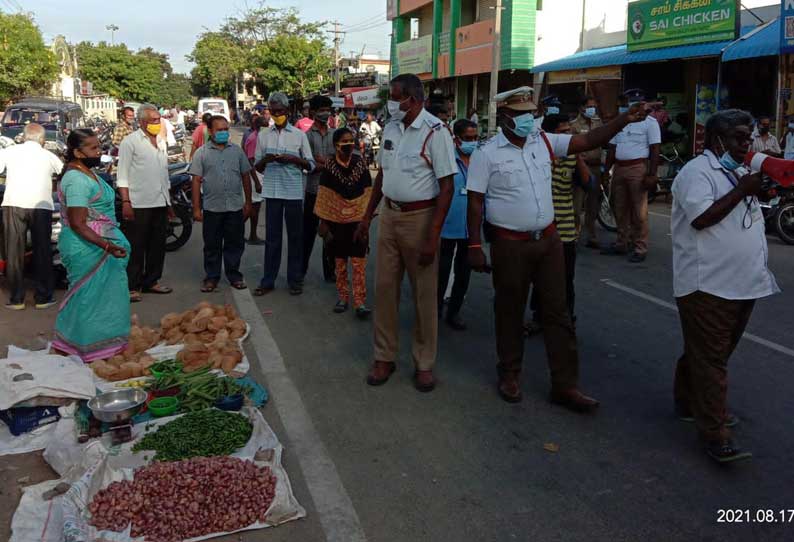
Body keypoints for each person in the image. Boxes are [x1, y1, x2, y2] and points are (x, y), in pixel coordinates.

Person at [466, 86, 650, 409]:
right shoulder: (486, 153)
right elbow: (476, 202)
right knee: (509, 312)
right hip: (510, 245)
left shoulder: (545, 142)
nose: (529, 120)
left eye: (531, 114)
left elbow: (588, 141)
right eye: (522, 115)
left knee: (558, 313)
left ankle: (565, 385)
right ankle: (509, 374)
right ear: (506, 117)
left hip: (549, 241)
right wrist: (474, 245)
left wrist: (623, 120)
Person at [671, 109, 779, 463]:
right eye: (738, 138)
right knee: (712, 359)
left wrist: (758, 185)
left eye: (748, 138)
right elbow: (702, 218)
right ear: (716, 140)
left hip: (744, 282)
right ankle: (715, 432)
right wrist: (743, 189)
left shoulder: (740, 171)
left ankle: (688, 400)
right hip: (709, 285)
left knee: (709, 353)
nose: (746, 144)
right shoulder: (696, 173)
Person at [357, 73, 458, 393]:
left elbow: (447, 187)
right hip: (390, 214)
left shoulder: (435, 132)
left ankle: (424, 362)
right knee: (385, 288)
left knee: (423, 295)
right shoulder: (391, 128)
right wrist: (366, 216)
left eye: (396, 96)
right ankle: (384, 357)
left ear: (412, 99)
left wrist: (433, 236)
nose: (391, 102)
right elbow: (383, 174)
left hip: (421, 218)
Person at [51, 129, 130, 361]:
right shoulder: (76, 179)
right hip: (87, 248)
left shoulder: (85, 172)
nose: (99, 152)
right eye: (93, 149)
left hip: (97, 246)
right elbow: (77, 223)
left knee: (104, 298)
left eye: (99, 147)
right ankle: (88, 348)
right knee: (88, 299)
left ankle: (102, 345)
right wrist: (107, 246)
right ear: (77, 152)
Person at [526, 115, 592, 333]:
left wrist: (578, 157)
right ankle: (538, 316)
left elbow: (589, 184)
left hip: (565, 229)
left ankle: (566, 317)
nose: (568, 136)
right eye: (563, 132)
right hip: (540, 227)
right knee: (539, 276)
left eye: (569, 131)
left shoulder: (572, 158)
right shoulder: (536, 155)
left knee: (566, 277)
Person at [253, 92, 315, 296]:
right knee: (273, 239)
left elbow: (311, 164)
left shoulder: (299, 136)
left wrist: (292, 159)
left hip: (294, 193)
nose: (277, 114)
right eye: (273, 111)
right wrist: (267, 160)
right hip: (272, 192)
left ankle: (295, 279)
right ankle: (268, 280)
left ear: (287, 111)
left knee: (296, 238)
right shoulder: (263, 135)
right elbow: (258, 167)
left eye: (280, 111)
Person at [0, 123, 63, 310]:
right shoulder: (49, 155)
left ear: (23, 136)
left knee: (14, 251)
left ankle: (16, 299)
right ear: (42, 140)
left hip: (13, 204)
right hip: (41, 207)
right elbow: (63, 173)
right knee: (42, 251)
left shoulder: (10, 152)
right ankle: (43, 297)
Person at [189, 115, 253, 292]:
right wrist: (196, 208)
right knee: (212, 245)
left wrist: (248, 203)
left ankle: (234, 275)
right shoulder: (202, 153)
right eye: (220, 130)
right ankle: (212, 277)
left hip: (234, 207)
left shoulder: (237, 152)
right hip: (212, 208)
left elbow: (245, 176)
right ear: (210, 131)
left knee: (235, 243)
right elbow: (195, 181)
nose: (224, 133)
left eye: (226, 129)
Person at [117, 104, 173, 302]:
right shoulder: (130, 142)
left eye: (159, 120)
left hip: (159, 201)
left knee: (157, 245)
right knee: (136, 246)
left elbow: (163, 175)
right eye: (154, 120)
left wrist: (169, 204)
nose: (158, 123)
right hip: (138, 203)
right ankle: (132, 285)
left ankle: (152, 281)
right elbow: (122, 175)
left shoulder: (160, 141)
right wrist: (126, 201)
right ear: (142, 122)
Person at [315, 128, 373, 317]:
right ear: (335, 145)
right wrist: (324, 221)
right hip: (336, 221)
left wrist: (366, 220)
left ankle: (359, 302)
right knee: (339, 262)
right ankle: (343, 297)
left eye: (351, 140)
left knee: (358, 263)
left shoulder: (360, 163)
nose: (348, 144)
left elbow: (367, 192)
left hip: (357, 221)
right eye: (344, 141)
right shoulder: (330, 166)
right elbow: (324, 194)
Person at [602, 89, 661, 263]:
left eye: (638, 102)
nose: (634, 105)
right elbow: (612, 148)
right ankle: (622, 242)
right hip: (619, 167)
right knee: (618, 207)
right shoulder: (621, 122)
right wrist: (606, 171)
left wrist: (652, 174)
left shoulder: (650, 123)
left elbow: (655, 149)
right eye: (631, 102)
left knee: (639, 211)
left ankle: (640, 247)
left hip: (637, 167)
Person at [437, 119, 477, 331]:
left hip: (470, 226)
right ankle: (434, 312)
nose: (472, 142)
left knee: (464, 271)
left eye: (475, 138)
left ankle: (454, 312)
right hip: (446, 225)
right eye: (468, 138)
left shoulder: (479, 159)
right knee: (442, 271)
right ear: (456, 138)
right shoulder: (447, 160)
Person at [303, 95, 337, 282]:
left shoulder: (335, 134)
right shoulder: (306, 136)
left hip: (332, 192)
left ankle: (330, 272)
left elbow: (342, 160)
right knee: (307, 234)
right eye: (322, 110)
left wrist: (320, 160)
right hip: (313, 191)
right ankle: (300, 273)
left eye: (328, 110)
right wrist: (330, 163)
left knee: (330, 235)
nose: (326, 113)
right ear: (313, 112)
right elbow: (309, 163)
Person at [570, 95, 604, 249]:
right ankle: (574, 234)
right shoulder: (574, 125)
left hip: (596, 167)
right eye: (589, 106)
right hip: (580, 167)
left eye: (593, 107)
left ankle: (592, 235)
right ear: (581, 108)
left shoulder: (598, 123)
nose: (592, 109)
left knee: (593, 204)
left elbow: (604, 144)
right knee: (577, 205)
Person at [243, 115, 265, 245]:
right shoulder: (254, 139)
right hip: (254, 175)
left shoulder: (260, 138)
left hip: (259, 175)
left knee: (255, 208)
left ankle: (252, 235)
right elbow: (250, 161)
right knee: (251, 207)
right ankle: (234, 233)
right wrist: (256, 181)